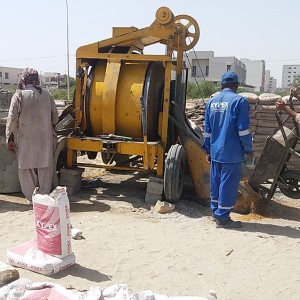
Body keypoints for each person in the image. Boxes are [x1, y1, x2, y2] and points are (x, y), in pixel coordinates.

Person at [204, 71, 253, 228]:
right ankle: (223, 219)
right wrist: (248, 149)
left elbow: (207, 130)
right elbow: (243, 130)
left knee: (216, 182)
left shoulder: (212, 102)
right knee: (228, 184)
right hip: (231, 151)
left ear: (221, 85)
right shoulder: (239, 101)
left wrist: (207, 150)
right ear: (236, 85)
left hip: (215, 150)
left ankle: (215, 213)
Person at [6, 68, 58, 202]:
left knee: (25, 169)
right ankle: (44, 199)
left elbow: (12, 119)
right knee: (45, 167)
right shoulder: (47, 94)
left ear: (23, 79)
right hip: (45, 140)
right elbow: (55, 117)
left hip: (26, 139)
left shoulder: (19, 95)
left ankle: (32, 200)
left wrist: (9, 138)